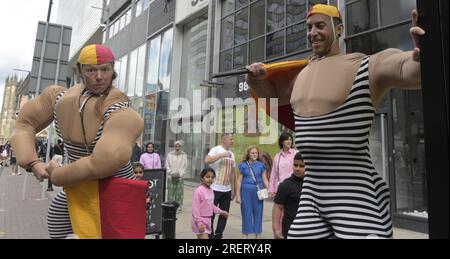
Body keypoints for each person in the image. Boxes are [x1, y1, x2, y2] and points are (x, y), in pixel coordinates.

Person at [246, 4, 424, 238]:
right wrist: (255, 81)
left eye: (320, 25)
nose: (313, 32)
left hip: (354, 194)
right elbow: (271, 99)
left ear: (339, 29)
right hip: (311, 195)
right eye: (309, 27)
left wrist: (422, 56)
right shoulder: (300, 76)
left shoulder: (365, 65)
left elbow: (407, 70)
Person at [11, 44, 145, 239]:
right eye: (91, 70)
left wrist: (57, 175)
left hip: (115, 196)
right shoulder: (58, 98)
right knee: (58, 217)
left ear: (112, 70)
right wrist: (33, 162)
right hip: (74, 196)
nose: (99, 77)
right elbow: (24, 124)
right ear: (81, 70)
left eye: (105, 69)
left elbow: (103, 163)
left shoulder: (120, 110)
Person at [204, 133, 236, 239]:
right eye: (231, 139)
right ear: (224, 140)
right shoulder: (216, 149)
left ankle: (219, 234)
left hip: (227, 190)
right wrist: (222, 155)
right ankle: (209, 234)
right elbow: (207, 160)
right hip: (214, 188)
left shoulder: (232, 153)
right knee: (211, 213)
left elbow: (232, 173)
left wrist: (233, 189)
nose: (232, 141)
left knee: (224, 214)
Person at [236, 146, 269, 239]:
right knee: (246, 213)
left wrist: (270, 190)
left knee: (258, 213)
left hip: (258, 192)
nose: (254, 155)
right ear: (248, 154)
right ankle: (245, 235)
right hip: (245, 192)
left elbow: (265, 179)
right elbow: (238, 181)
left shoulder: (261, 165)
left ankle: (258, 235)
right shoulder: (243, 165)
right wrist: (238, 195)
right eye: (252, 153)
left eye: (256, 153)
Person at [272, 152, 305, 239]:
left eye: (301, 166)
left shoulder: (313, 184)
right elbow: (278, 207)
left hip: (309, 230)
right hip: (290, 230)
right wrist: (275, 230)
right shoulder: (285, 185)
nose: (297, 168)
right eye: (295, 165)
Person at [192, 168, 229, 239]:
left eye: (212, 177)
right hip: (200, 221)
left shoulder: (211, 191)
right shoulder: (198, 191)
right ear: (202, 178)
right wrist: (199, 223)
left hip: (207, 221)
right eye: (207, 177)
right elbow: (195, 209)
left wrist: (221, 212)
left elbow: (211, 206)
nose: (210, 179)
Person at [166, 140, 187, 213]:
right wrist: (170, 172)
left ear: (181, 147)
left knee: (179, 193)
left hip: (180, 177)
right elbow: (167, 165)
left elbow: (185, 165)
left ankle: (178, 207)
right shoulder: (170, 155)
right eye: (176, 146)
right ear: (174, 147)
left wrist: (182, 174)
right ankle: (170, 206)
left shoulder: (184, 155)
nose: (177, 148)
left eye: (179, 146)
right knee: (171, 192)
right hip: (171, 177)